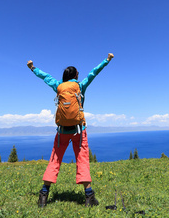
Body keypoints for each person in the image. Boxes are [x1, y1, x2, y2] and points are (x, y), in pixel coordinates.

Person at [27, 53, 114, 208]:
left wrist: (33, 68)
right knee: (82, 160)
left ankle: (43, 195)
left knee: (55, 160)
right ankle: (89, 197)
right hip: (79, 131)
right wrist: (106, 60)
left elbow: (45, 77)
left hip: (61, 132)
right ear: (76, 75)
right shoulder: (80, 86)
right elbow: (94, 72)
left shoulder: (59, 86)